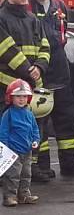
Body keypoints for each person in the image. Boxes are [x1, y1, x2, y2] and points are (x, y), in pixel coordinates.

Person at [27, 0, 74, 182]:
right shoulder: (28, 8)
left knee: (66, 118)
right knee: (40, 121)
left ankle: (70, 164)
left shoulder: (59, 5)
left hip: (60, 69)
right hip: (40, 70)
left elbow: (63, 31)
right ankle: (41, 167)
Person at [0, 0, 49, 110]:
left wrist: (39, 66)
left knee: (32, 127)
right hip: (7, 87)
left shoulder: (33, 19)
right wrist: (31, 73)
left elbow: (45, 46)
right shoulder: (2, 18)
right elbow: (7, 51)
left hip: (30, 85)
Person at [0, 79, 40, 207]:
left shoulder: (29, 113)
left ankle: (24, 195)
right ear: (10, 97)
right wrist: (5, 148)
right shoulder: (8, 114)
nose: (21, 99)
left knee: (26, 174)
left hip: (27, 151)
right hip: (13, 151)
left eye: (24, 96)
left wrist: (36, 140)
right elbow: (3, 132)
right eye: (18, 96)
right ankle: (9, 197)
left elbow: (34, 129)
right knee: (12, 175)